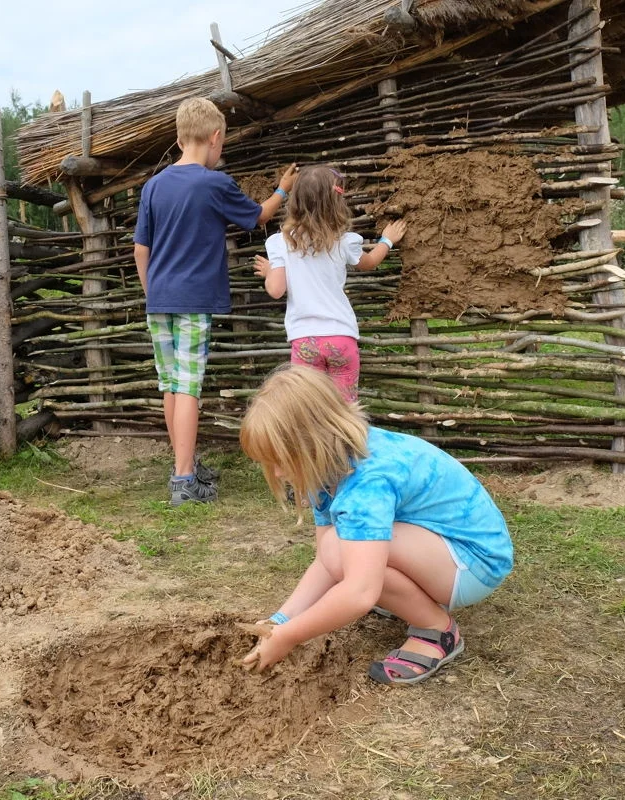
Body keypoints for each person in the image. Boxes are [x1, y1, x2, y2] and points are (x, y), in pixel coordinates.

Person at [238, 365, 513, 685]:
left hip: (475, 562)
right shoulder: (328, 467)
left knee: (349, 560)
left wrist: (289, 637)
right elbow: (325, 562)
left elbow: (359, 593)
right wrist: (280, 620)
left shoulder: (367, 482)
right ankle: (411, 600)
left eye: (281, 460)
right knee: (337, 551)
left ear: (312, 443)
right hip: (441, 552)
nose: (279, 473)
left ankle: (438, 631)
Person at [133, 97, 298, 506]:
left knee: (171, 386)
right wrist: (283, 188)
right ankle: (185, 480)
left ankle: (182, 463)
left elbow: (141, 249)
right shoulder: (213, 183)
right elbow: (258, 217)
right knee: (188, 388)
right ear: (215, 138)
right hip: (193, 300)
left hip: (159, 300)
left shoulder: (154, 186)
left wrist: (152, 293)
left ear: (177, 138)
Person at [253, 165, 406, 403]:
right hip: (341, 337)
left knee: (310, 408)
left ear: (295, 201)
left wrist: (270, 271)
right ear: (336, 202)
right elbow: (370, 262)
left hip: (305, 341)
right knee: (344, 410)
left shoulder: (280, 242)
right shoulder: (344, 241)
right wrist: (387, 240)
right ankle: (344, 441)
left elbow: (276, 289)